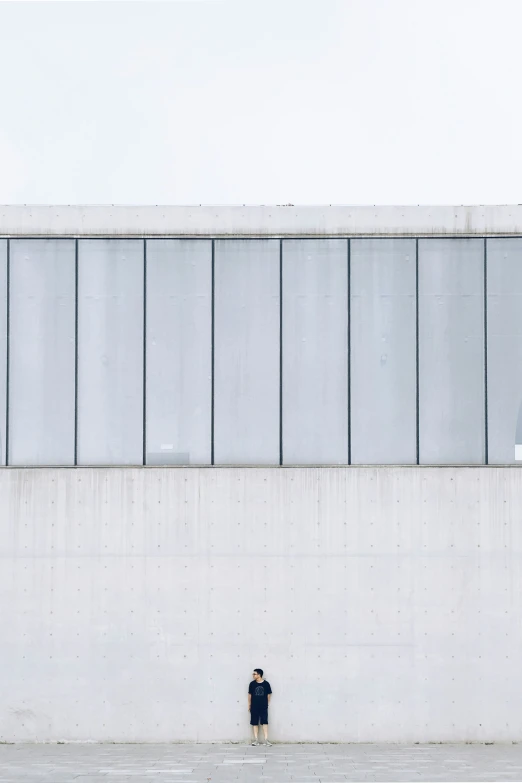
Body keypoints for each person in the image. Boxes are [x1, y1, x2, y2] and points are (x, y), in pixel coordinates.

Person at [248, 668, 272, 745]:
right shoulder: (252, 684)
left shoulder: (266, 684)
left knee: (265, 722)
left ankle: (266, 740)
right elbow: (249, 695)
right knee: (255, 723)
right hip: (254, 706)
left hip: (263, 706)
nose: (253, 675)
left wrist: (266, 703)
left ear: (259, 675)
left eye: (254, 674)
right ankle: (256, 740)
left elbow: (269, 694)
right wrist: (249, 705)